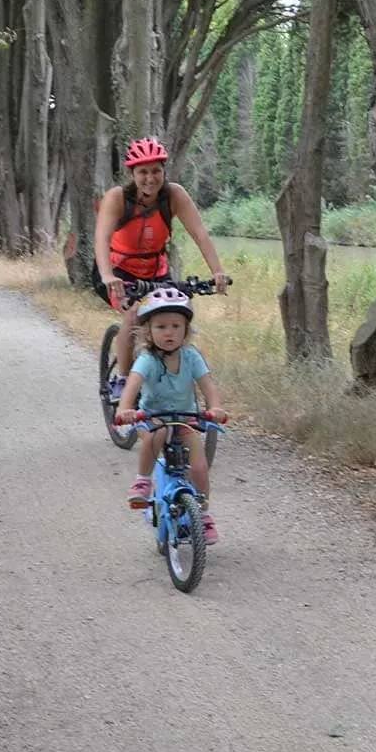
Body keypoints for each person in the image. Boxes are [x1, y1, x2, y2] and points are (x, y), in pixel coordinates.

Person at [94, 137, 232, 389]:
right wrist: (107, 275)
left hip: (156, 271)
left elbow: (200, 233)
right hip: (118, 271)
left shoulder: (174, 195)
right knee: (134, 314)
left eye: (156, 170)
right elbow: (102, 239)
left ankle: (172, 376)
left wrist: (218, 272)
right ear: (132, 174)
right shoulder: (117, 199)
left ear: (164, 171)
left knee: (174, 313)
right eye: (143, 172)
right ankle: (123, 380)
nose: (150, 178)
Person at [115, 288, 228, 543]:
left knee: (199, 467)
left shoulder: (191, 357)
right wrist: (125, 410)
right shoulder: (147, 359)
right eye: (161, 326)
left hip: (184, 418)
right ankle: (142, 481)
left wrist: (216, 408)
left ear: (186, 330)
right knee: (160, 432)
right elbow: (132, 385)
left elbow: (208, 387)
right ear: (148, 331)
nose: (169, 332)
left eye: (176, 326)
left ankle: (204, 514)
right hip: (152, 418)